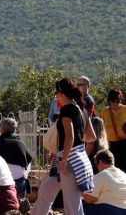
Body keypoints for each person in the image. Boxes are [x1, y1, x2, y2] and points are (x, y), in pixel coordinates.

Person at [32, 78, 96, 215]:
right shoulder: (82, 109)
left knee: (72, 205)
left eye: (56, 93)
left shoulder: (66, 110)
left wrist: (64, 159)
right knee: (45, 191)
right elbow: (91, 137)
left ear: (61, 93)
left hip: (68, 161)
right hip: (77, 159)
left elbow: (70, 136)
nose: (56, 96)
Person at [0, 117, 32, 199]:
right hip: (20, 182)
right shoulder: (20, 144)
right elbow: (28, 161)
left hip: (2, 183)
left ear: (3, 129)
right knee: (18, 209)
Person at [82, 150, 126, 214]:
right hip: (124, 210)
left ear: (100, 162)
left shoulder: (102, 175)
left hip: (109, 210)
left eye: (96, 165)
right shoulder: (123, 174)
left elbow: (90, 200)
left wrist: (81, 192)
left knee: (81, 206)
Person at [99, 87, 126, 173]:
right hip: (110, 145)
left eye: (118, 101)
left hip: (123, 143)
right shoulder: (104, 112)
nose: (115, 104)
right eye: (112, 102)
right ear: (109, 101)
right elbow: (101, 129)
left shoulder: (125, 110)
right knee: (112, 168)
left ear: (121, 100)